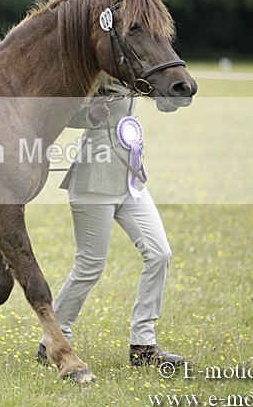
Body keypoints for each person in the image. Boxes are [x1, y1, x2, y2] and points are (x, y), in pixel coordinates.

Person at [37, 78, 184, 367]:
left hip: (129, 181)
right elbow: (60, 112)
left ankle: (143, 345)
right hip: (93, 181)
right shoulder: (95, 70)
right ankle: (53, 339)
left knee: (159, 253)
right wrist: (91, 115)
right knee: (90, 266)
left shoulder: (134, 70)